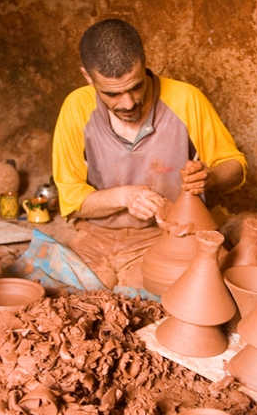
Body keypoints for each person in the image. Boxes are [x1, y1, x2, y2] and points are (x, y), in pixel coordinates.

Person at [52, 19, 247, 290]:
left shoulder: (185, 99)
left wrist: (210, 177)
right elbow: (71, 201)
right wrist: (125, 196)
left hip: (167, 235)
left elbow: (235, 166)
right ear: (88, 77)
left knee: (168, 296)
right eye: (112, 94)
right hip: (97, 235)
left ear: (144, 65)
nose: (128, 103)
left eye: (135, 87)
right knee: (63, 296)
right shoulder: (76, 107)